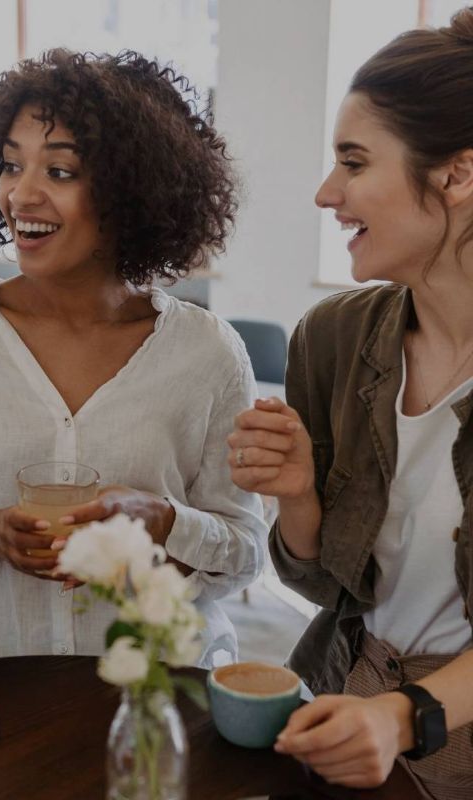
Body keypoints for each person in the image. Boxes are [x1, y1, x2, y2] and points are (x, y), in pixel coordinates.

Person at [0, 49, 266, 671]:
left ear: (131, 190)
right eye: (11, 165)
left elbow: (244, 550)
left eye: (60, 171)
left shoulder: (207, 354)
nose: (22, 194)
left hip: (155, 695)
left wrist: (164, 522)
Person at [228, 10, 473, 798]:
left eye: (354, 162)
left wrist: (406, 716)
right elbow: (329, 589)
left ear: (457, 176)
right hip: (344, 699)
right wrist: (297, 492)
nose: (326, 193)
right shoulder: (334, 338)